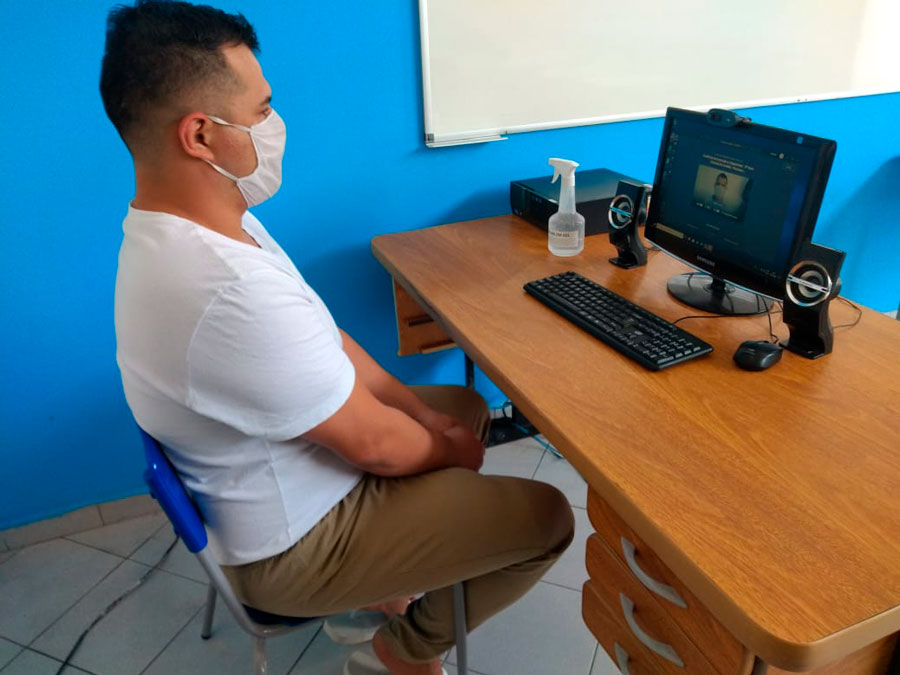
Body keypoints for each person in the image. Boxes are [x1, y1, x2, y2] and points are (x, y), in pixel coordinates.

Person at [101, 2, 574, 674]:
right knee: (548, 516)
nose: (274, 126)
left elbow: (328, 334)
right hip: (290, 547)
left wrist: (425, 417)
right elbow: (376, 446)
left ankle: (394, 573)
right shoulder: (223, 285)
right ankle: (401, 651)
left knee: (459, 410)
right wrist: (447, 450)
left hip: (270, 481)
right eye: (261, 110)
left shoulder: (198, 225)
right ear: (200, 136)